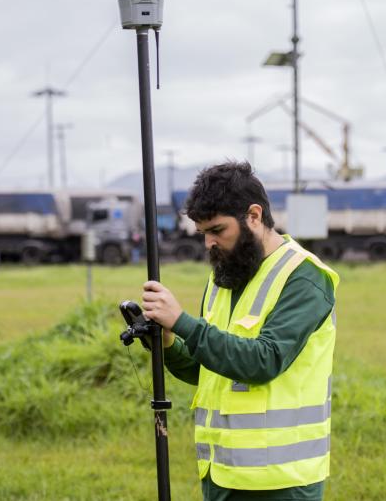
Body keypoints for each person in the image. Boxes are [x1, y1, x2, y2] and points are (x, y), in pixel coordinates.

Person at [141, 161, 339, 501]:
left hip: (281, 483)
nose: (209, 244)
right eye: (204, 234)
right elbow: (209, 369)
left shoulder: (304, 277)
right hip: (221, 476)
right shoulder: (225, 277)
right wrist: (171, 341)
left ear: (254, 215)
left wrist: (184, 322)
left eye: (218, 231)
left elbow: (262, 362)